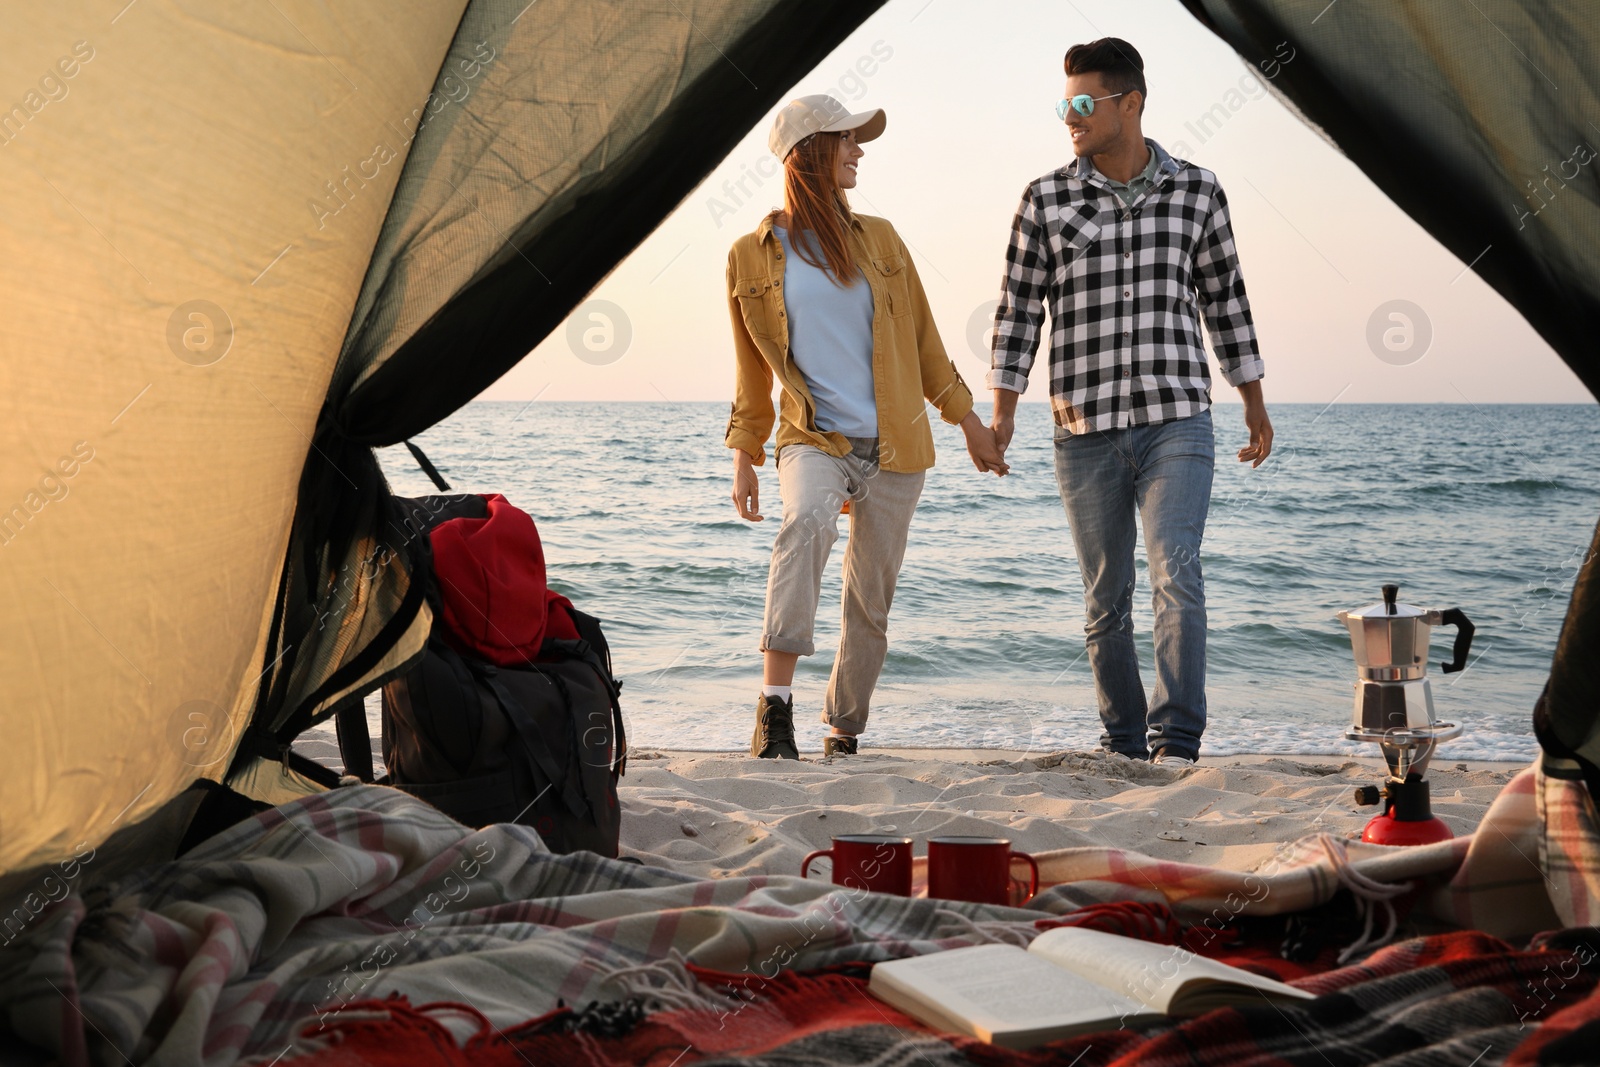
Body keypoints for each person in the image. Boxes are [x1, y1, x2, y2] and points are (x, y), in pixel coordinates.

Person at [987, 39, 1273, 767]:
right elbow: (1020, 311)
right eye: (1065, 105)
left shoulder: (1199, 192)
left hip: (1177, 414)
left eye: (1084, 104)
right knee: (1105, 598)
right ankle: (1120, 744)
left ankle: (1176, 741)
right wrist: (1004, 410)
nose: (1070, 118)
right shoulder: (1044, 198)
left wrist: (1253, 401)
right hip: (1082, 428)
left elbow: (1226, 301)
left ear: (1131, 103)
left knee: (1176, 570)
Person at [726, 94, 1008, 760]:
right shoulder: (750, 256)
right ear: (810, 153)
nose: (859, 151)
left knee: (870, 600)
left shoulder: (881, 239)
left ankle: (842, 729)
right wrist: (745, 454)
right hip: (811, 438)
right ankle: (776, 709)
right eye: (847, 139)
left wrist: (968, 421)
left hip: (895, 443)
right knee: (805, 523)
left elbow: (925, 343)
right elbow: (752, 375)